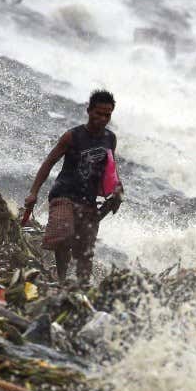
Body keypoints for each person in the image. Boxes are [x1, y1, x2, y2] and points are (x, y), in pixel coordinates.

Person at [20, 91, 124, 286]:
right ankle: (61, 280)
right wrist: (34, 192)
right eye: (98, 113)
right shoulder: (72, 136)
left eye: (107, 115)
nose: (102, 119)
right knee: (63, 236)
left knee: (85, 251)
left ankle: (83, 288)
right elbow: (49, 163)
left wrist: (118, 191)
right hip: (63, 195)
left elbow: (111, 169)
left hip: (89, 200)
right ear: (89, 111)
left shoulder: (110, 139)